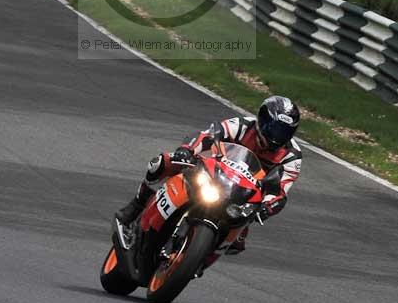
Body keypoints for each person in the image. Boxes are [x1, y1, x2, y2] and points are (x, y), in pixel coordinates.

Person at [116, 96, 302, 261]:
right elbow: (209, 135)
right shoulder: (243, 126)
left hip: (244, 193)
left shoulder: (292, 156)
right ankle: (136, 206)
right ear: (262, 119)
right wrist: (187, 151)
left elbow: (281, 190)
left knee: (238, 240)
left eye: (283, 132)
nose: (276, 136)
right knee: (162, 162)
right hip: (216, 172)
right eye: (273, 128)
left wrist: (269, 206)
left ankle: (199, 261)